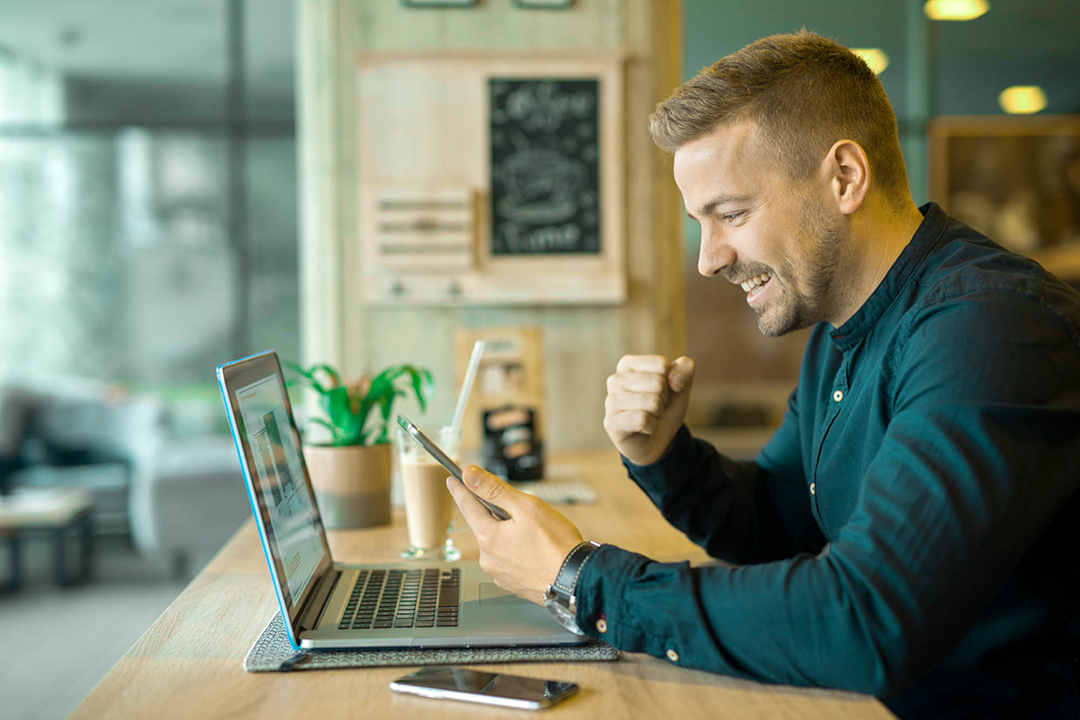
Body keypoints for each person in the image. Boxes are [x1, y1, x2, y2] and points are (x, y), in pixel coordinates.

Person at [445, 31, 1080, 719]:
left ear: (844, 177)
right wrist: (663, 455)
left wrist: (581, 580)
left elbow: (865, 621)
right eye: (700, 223)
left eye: (732, 214)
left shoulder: (990, 328)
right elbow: (779, 521)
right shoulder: (843, 325)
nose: (709, 259)